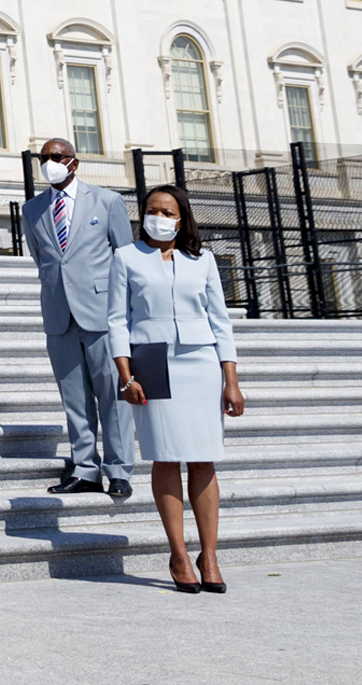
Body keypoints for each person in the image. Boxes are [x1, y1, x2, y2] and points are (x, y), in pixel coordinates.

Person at [111, 185, 244, 593]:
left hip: (201, 363)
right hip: (151, 362)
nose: (158, 216)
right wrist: (126, 376)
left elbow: (220, 320)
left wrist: (232, 380)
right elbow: (116, 319)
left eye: (167, 210)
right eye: (151, 209)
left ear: (181, 217)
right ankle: (179, 554)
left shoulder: (202, 260)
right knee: (165, 458)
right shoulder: (125, 257)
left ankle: (210, 554)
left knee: (204, 459)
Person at [26, 138, 138, 498]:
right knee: (74, 398)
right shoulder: (33, 210)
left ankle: (119, 469)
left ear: (74, 162)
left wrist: (126, 314)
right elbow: (42, 258)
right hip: (59, 314)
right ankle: (85, 468)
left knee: (113, 395)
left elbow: (124, 258)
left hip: (102, 313)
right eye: (43, 158)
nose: (49, 163)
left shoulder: (106, 201)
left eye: (56, 157)